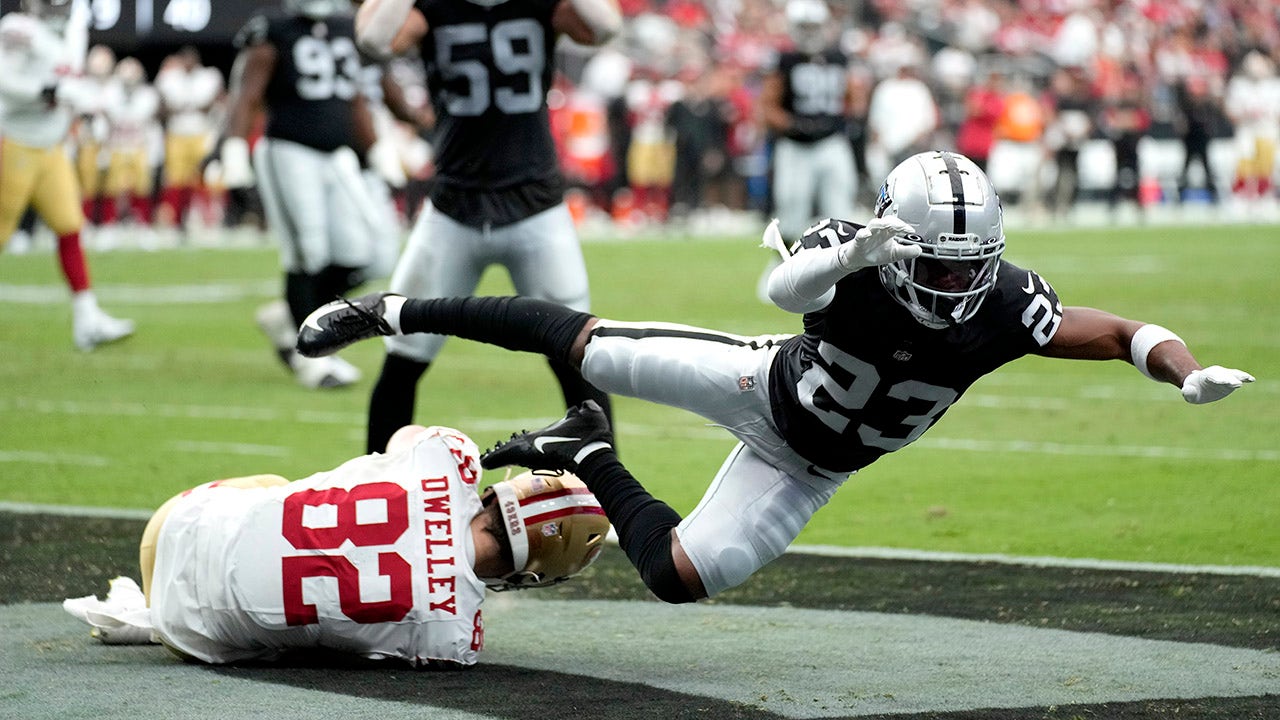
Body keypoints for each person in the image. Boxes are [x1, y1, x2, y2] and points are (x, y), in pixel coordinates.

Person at [296, 150, 1254, 605]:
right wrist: (850, 254)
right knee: (586, 345)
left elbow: (1119, 330)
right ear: (895, 241)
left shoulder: (1006, 304)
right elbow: (781, 287)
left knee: (678, 576)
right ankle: (392, 311)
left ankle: (582, 449)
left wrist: (1182, 370)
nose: (955, 283)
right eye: (936, 261)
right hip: (760, 383)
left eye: (970, 265)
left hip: (809, 470)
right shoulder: (857, 260)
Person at [63, 424, 609, 666]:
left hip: (175, 521)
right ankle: (154, 617)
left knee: (285, 490)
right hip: (191, 635)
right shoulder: (455, 640)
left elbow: (402, 437)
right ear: (535, 573)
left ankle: (153, 605)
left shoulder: (450, 454)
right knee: (306, 630)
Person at [351, 0, 621, 454]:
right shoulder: (433, 9)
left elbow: (605, 27)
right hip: (454, 207)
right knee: (403, 357)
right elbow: (374, 40)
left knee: (576, 355)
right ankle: (375, 485)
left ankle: (607, 488)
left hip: (534, 206)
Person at [217, 0, 385, 389]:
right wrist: (234, 148)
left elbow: (354, 96)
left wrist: (376, 147)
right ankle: (311, 355)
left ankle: (289, 316)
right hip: (289, 151)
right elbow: (247, 93)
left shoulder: (345, 26)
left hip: (338, 155)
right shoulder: (273, 27)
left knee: (362, 254)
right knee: (309, 253)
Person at [0, 0, 135, 351]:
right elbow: (3, 78)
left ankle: (87, 320)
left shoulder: (74, 33)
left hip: (51, 147)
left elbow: (70, 86)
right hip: (15, 143)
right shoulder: (18, 28)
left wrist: (89, 104)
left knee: (70, 227)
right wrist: (47, 91)